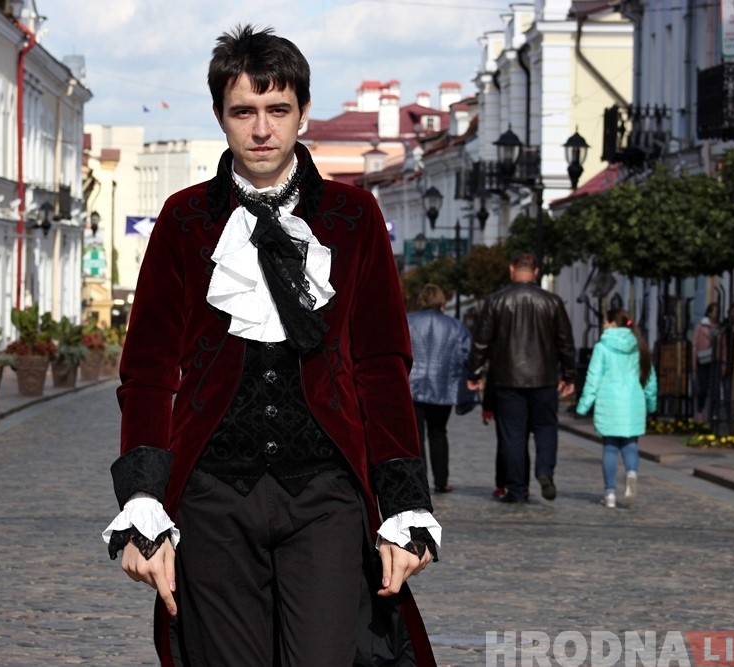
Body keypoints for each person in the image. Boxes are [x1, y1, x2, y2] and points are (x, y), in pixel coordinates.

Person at [101, 25, 439, 667]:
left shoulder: (353, 216)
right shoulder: (184, 219)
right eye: (244, 111)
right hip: (212, 495)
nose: (262, 129)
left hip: (326, 493)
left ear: (302, 113)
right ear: (220, 116)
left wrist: (404, 502)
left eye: (278, 109)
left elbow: (381, 367)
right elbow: (148, 370)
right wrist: (143, 498)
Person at [466, 252, 576, 504]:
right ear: (536, 272)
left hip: (508, 378)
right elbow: (565, 343)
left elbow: (481, 342)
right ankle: (544, 470)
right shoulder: (552, 302)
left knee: (513, 435)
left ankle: (516, 489)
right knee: (546, 427)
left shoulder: (496, 301)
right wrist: (569, 375)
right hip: (544, 378)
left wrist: (474, 373)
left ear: (511, 269)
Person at [575, 308, 658, 508]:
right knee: (630, 445)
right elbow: (650, 379)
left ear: (613, 323)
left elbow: (593, 378)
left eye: (605, 322)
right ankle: (631, 474)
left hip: (610, 402)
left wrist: (583, 406)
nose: (603, 326)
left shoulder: (602, 347)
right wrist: (651, 404)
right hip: (633, 401)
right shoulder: (639, 346)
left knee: (610, 448)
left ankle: (610, 493)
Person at [407, 283, 472, 494]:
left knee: (416, 436)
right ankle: (442, 480)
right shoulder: (455, 326)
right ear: (442, 302)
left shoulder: (408, 322)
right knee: (438, 433)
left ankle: (419, 480)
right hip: (442, 387)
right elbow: (465, 355)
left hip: (412, 386)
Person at [692, 302, 718, 422]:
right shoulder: (702, 325)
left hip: (715, 359)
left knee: (714, 388)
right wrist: (694, 361)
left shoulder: (718, 326)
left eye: (717, 311)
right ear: (709, 313)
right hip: (703, 359)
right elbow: (695, 343)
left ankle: (713, 412)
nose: (716, 314)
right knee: (703, 386)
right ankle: (700, 410)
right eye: (714, 311)